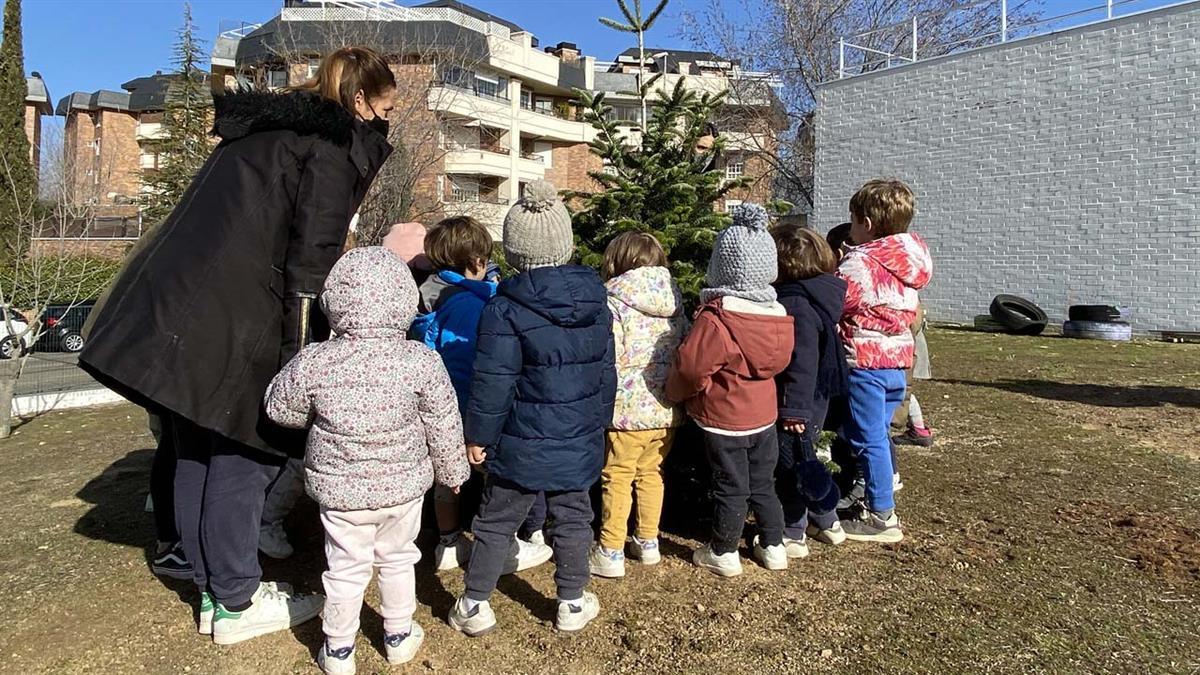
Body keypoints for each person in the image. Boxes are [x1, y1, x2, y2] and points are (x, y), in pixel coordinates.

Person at [77, 47, 397, 644]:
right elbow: (312, 261)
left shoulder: (267, 132)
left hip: (182, 306)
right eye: (382, 109)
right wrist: (302, 356)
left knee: (193, 446)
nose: (385, 123)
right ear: (358, 102)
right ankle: (233, 599)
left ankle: (200, 576)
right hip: (235, 316)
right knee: (241, 456)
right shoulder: (326, 148)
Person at [265, 248, 469, 674]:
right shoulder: (420, 360)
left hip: (341, 492)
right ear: (403, 301)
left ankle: (338, 650)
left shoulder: (316, 360)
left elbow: (280, 409)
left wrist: (314, 414)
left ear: (334, 300)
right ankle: (397, 634)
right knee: (398, 557)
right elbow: (444, 422)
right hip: (402, 489)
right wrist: (453, 473)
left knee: (344, 566)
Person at [448, 180, 615, 637]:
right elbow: (605, 375)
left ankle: (473, 603)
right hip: (576, 439)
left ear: (515, 252)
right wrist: (599, 426)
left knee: (497, 520)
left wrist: (477, 435)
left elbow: (492, 383)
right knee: (574, 518)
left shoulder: (503, 310)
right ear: (565, 244)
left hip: (518, 442)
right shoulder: (598, 306)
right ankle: (572, 602)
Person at [409, 216, 553, 573]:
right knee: (492, 475)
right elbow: (472, 357)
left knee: (448, 476)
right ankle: (497, 544)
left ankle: (448, 541)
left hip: (437, 407)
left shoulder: (431, 293)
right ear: (475, 261)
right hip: (468, 404)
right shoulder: (468, 305)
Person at [666, 203, 795, 577]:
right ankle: (773, 545)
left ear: (720, 266)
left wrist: (675, 394)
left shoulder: (718, 318)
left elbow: (691, 367)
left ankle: (723, 550)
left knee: (731, 485)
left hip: (723, 419)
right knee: (763, 483)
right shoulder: (777, 316)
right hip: (764, 416)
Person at [836, 179, 933, 543]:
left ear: (867, 224)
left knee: (868, 438)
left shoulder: (860, 263)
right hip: (897, 362)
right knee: (879, 433)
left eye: (853, 221)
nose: (850, 227)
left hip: (865, 362)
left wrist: (842, 264)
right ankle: (872, 496)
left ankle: (881, 516)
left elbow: (838, 300)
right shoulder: (910, 261)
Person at [589, 233, 688, 579]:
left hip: (626, 408)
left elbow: (605, 350)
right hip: (665, 407)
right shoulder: (674, 299)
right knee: (651, 473)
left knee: (616, 475)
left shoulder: (612, 300)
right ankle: (647, 540)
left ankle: (611, 548)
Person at [771, 226, 849, 558]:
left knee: (790, 465)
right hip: (811, 398)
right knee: (807, 459)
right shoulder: (818, 295)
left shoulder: (796, 304)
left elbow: (801, 363)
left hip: (799, 401)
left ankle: (793, 531)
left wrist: (794, 411)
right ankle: (828, 521)